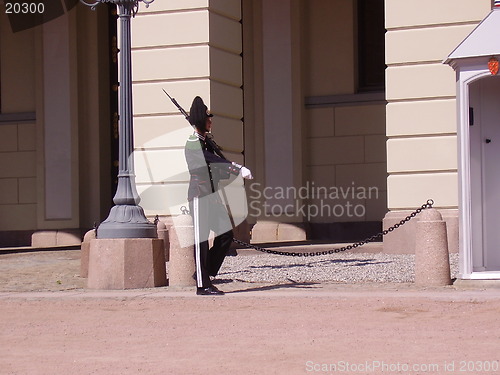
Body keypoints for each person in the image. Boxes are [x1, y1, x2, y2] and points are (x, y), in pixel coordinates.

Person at [185, 96, 253, 296]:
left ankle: (204, 272)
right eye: (208, 117)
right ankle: (202, 284)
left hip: (212, 196)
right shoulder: (193, 143)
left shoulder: (205, 143)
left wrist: (232, 172)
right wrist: (235, 168)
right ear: (200, 120)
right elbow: (210, 161)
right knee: (202, 240)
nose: (211, 121)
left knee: (225, 235)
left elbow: (215, 167)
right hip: (199, 196)